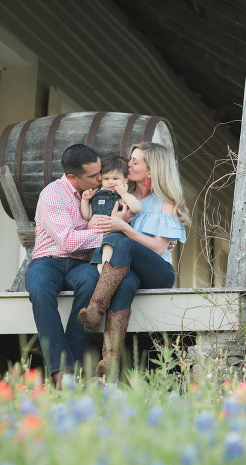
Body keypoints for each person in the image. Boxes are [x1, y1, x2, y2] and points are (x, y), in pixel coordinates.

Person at [24, 144, 137, 389]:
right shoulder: (53, 195)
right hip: (48, 261)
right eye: (94, 175)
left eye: (101, 172)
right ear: (74, 177)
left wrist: (116, 223)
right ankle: (61, 370)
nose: (101, 177)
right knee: (40, 288)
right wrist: (108, 232)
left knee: (91, 284)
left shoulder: (99, 193)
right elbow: (66, 240)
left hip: (82, 263)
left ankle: (70, 368)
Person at [76, 142, 189, 378]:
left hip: (158, 271)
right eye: (130, 159)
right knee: (125, 282)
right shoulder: (121, 196)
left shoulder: (166, 202)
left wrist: (124, 228)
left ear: (151, 171)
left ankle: (96, 308)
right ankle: (110, 358)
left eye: (135, 162)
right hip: (129, 272)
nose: (128, 164)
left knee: (125, 241)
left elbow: (159, 248)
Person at [80, 155, 142, 276]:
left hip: (117, 235)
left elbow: (137, 208)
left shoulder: (123, 197)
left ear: (125, 180)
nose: (111, 182)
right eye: (107, 178)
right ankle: (105, 277)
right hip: (98, 238)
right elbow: (87, 216)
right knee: (97, 259)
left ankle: (108, 272)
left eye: (115, 178)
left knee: (108, 245)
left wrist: (124, 194)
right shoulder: (97, 196)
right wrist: (85, 200)